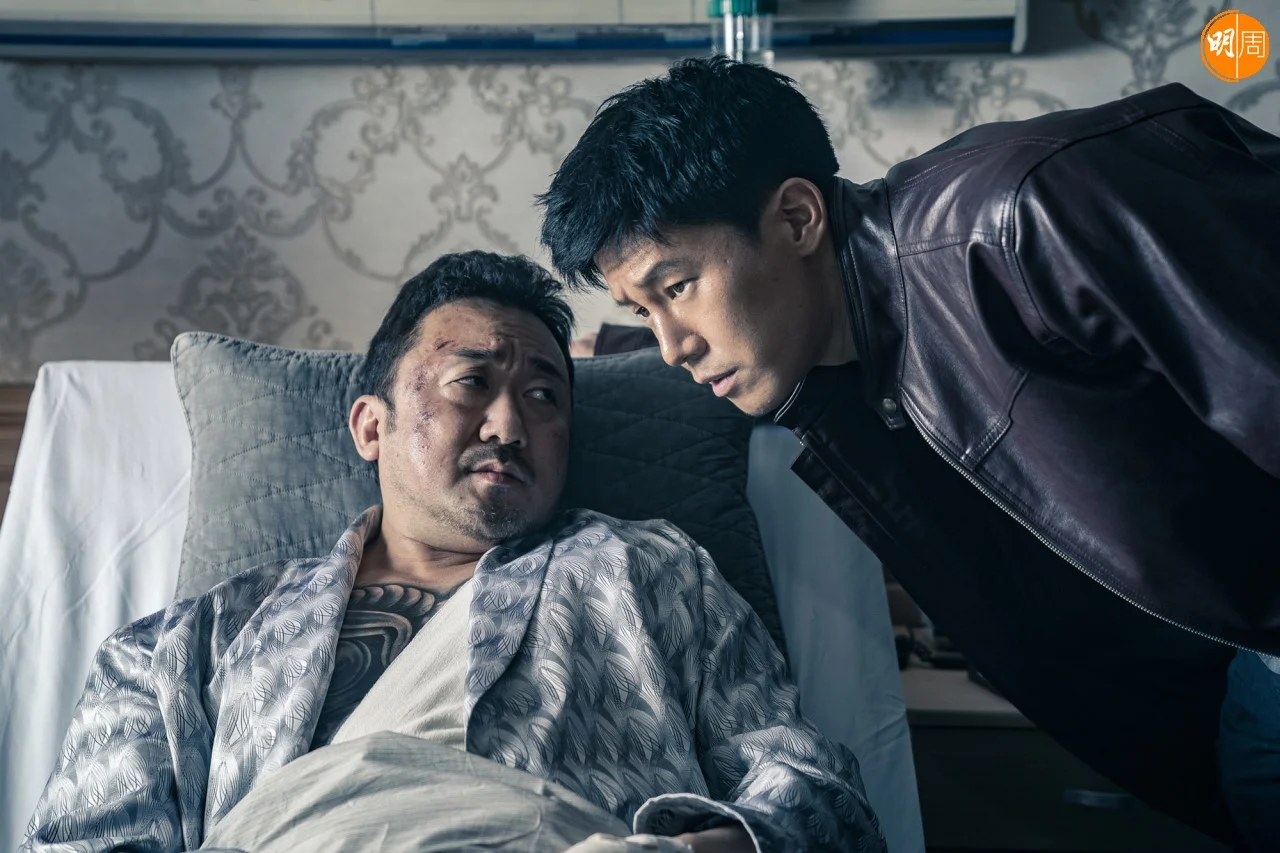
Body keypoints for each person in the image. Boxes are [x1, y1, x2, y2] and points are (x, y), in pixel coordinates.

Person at [538, 56, 1280, 850]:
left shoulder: (1037, 213)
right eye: (642, 311)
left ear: (797, 219)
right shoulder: (838, 367)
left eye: (677, 287)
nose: (672, 346)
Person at [22, 251, 884, 853]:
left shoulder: (654, 573)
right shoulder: (183, 649)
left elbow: (824, 804)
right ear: (371, 425)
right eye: (472, 382)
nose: (510, 423)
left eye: (544, 396)